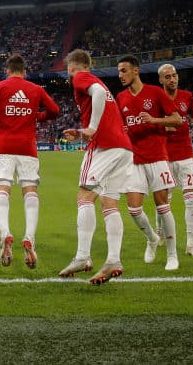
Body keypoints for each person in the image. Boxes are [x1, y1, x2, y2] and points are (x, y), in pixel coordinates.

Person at [0, 53, 60, 269]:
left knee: (3, 188)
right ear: (25, 71)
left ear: (7, 70)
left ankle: (5, 234)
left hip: (4, 147)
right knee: (30, 191)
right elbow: (55, 111)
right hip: (27, 148)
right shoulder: (36, 89)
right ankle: (29, 237)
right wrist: (35, 116)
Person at [59, 49, 134, 285]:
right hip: (123, 148)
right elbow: (102, 98)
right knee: (109, 204)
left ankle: (83, 256)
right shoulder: (98, 81)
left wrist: (91, 128)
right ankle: (113, 260)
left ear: (72, 66)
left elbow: (98, 94)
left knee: (84, 197)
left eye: (68, 67)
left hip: (104, 147)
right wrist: (83, 132)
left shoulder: (81, 77)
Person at [116, 54, 183, 271]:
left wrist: (154, 120)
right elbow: (121, 126)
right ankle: (152, 238)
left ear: (136, 71)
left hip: (157, 157)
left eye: (124, 70)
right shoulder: (121, 98)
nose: (120, 75)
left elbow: (177, 119)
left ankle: (172, 255)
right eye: (118, 72)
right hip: (133, 160)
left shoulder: (155, 92)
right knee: (134, 210)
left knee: (163, 206)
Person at [157, 63, 193, 258]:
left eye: (174, 75)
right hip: (164, 157)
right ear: (161, 80)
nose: (172, 79)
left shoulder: (187, 96)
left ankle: (191, 244)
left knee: (191, 200)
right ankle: (160, 233)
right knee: (164, 201)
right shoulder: (155, 99)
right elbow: (148, 124)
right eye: (167, 77)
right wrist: (164, 126)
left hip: (186, 155)